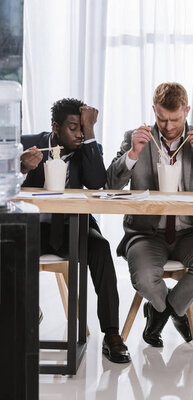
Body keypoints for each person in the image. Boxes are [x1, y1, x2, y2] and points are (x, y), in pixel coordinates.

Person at [106, 82, 193, 348]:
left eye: (175, 119)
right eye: (161, 119)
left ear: (186, 110)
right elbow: (111, 186)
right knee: (145, 279)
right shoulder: (135, 137)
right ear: (153, 111)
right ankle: (176, 310)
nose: (169, 126)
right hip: (147, 232)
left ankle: (161, 310)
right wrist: (133, 154)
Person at [20, 98, 130, 363]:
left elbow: (95, 184)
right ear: (55, 127)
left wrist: (90, 131)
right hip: (36, 229)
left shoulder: (88, 149)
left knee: (101, 247)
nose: (80, 134)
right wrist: (22, 167)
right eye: (73, 128)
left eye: (84, 127)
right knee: (8, 246)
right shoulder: (29, 144)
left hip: (73, 227)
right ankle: (25, 311)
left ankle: (112, 334)